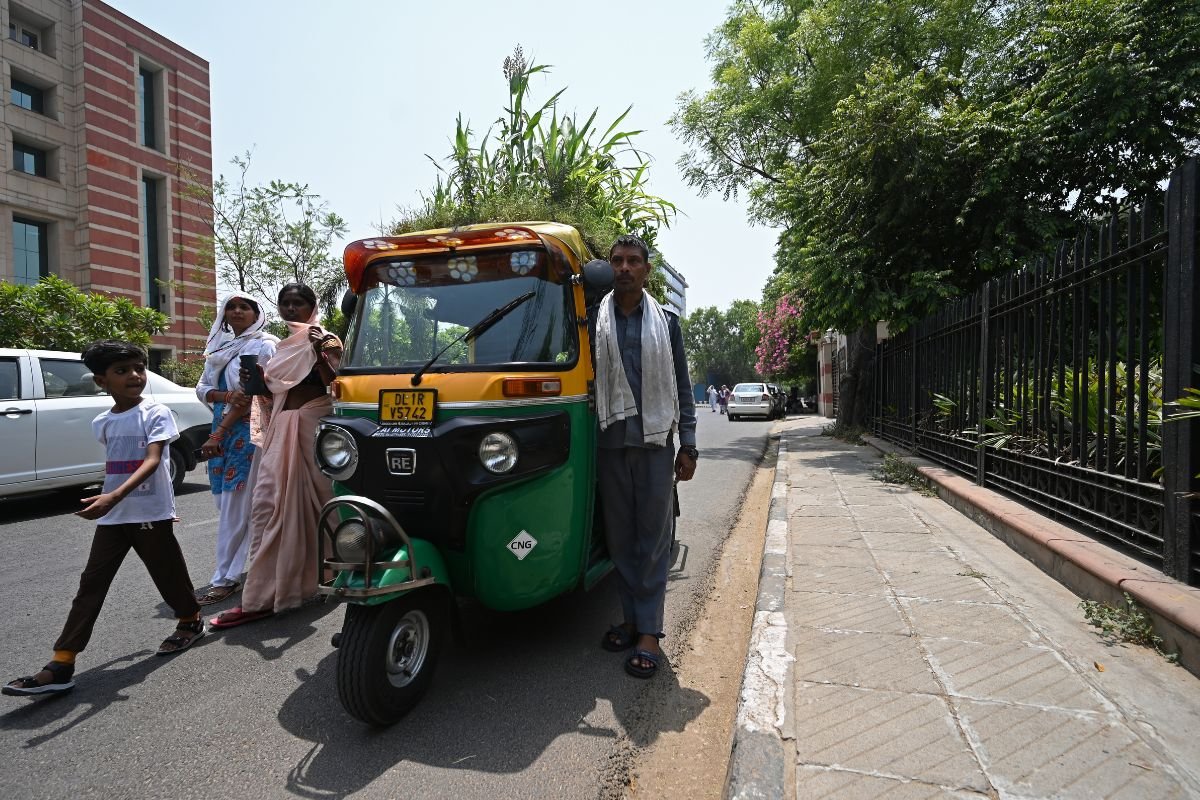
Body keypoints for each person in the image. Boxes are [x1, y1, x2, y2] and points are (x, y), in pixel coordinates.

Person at [4, 341, 203, 696]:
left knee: (167, 572)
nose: (135, 376)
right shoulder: (103, 421)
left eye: (139, 368)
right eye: (122, 371)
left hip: (147, 511)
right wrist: (107, 494)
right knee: (91, 584)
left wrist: (113, 495)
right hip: (114, 515)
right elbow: (115, 464)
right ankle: (62, 662)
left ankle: (189, 620)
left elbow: (153, 461)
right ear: (101, 381)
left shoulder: (156, 413)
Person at [592, 235, 697, 679]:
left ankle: (650, 632)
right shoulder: (593, 321)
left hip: (655, 444)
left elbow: (683, 385)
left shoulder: (666, 323)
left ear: (646, 270)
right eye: (617, 261)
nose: (624, 268)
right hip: (610, 444)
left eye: (634, 261)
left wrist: (688, 443)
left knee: (653, 540)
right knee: (620, 539)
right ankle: (632, 618)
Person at [209, 283, 342, 629]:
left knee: (318, 505)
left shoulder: (326, 339)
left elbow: (337, 383)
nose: (291, 309)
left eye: (298, 303)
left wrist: (321, 352)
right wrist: (256, 381)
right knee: (269, 506)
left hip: (312, 423)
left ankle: (331, 570)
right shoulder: (282, 346)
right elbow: (272, 390)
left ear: (312, 306)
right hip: (282, 426)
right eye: (285, 303)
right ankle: (264, 593)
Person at [193, 292, 278, 605]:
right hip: (220, 428)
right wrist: (224, 397)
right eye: (231, 306)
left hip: (248, 430)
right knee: (223, 500)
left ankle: (226, 578)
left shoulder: (265, 345)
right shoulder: (218, 347)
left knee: (235, 504)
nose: (237, 311)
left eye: (245, 307)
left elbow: (253, 396)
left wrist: (219, 431)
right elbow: (201, 389)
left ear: (257, 314)